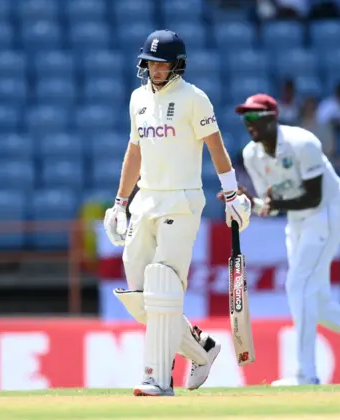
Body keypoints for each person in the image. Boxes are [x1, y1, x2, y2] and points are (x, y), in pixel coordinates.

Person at [102, 30, 251, 397]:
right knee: (139, 295)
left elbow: (216, 147)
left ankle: (157, 378)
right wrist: (120, 202)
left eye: (162, 63)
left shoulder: (193, 99)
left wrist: (231, 193)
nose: (155, 69)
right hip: (146, 199)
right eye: (150, 63)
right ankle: (202, 349)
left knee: (164, 283)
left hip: (182, 201)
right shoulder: (137, 99)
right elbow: (133, 152)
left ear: (177, 65)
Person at [232, 93, 340, 386]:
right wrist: (247, 203)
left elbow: (313, 197)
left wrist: (272, 205)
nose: (250, 123)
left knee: (298, 285)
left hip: (327, 214)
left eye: (256, 116)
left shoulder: (303, 143)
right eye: (246, 117)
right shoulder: (251, 154)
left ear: (273, 117)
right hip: (298, 220)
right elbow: (269, 205)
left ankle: (305, 374)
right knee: (315, 302)